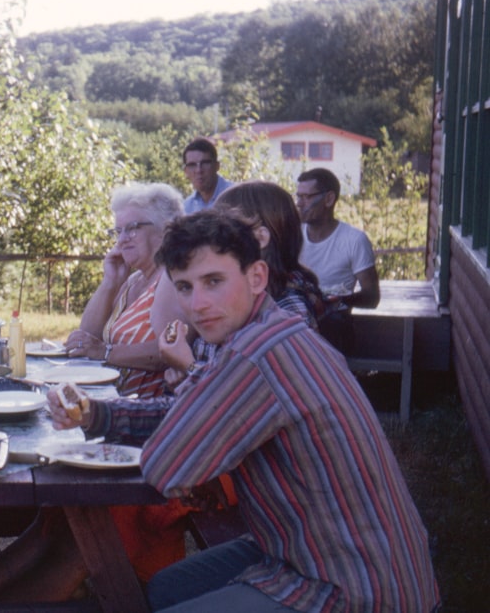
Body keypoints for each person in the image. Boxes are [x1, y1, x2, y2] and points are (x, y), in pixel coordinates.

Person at [52, 210, 437, 612]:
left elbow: (167, 468)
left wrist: (199, 460)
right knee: (167, 589)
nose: (197, 305)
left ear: (256, 277)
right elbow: (193, 413)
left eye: (214, 282)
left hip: (353, 583)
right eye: (184, 287)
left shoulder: (257, 354)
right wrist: (98, 415)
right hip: (303, 543)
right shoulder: (269, 332)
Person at [162, 180, 327, 385]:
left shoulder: (287, 310)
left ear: (260, 237)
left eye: (228, 223)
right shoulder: (233, 303)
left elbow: (256, 396)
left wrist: (189, 368)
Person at [64, 182, 184, 399]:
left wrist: (105, 352)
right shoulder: (133, 280)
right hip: (113, 401)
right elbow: (87, 336)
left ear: (165, 229)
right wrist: (110, 282)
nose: (121, 240)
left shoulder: (172, 278)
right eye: (118, 231)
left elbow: (168, 351)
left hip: (144, 411)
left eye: (132, 228)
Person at [295, 167, 380, 353]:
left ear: (329, 199)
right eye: (298, 196)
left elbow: (372, 297)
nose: (299, 204)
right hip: (295, 316)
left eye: (306, 197)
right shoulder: (292, 234)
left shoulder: (354, 240)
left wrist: (333, 301)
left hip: (332, 324)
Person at [181, 137, 232, 214]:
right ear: (186, 171)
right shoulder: (186, 208)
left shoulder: (237, 196)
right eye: (192, 165)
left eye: (205, 163)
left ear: (217, 166)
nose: (199, 170)